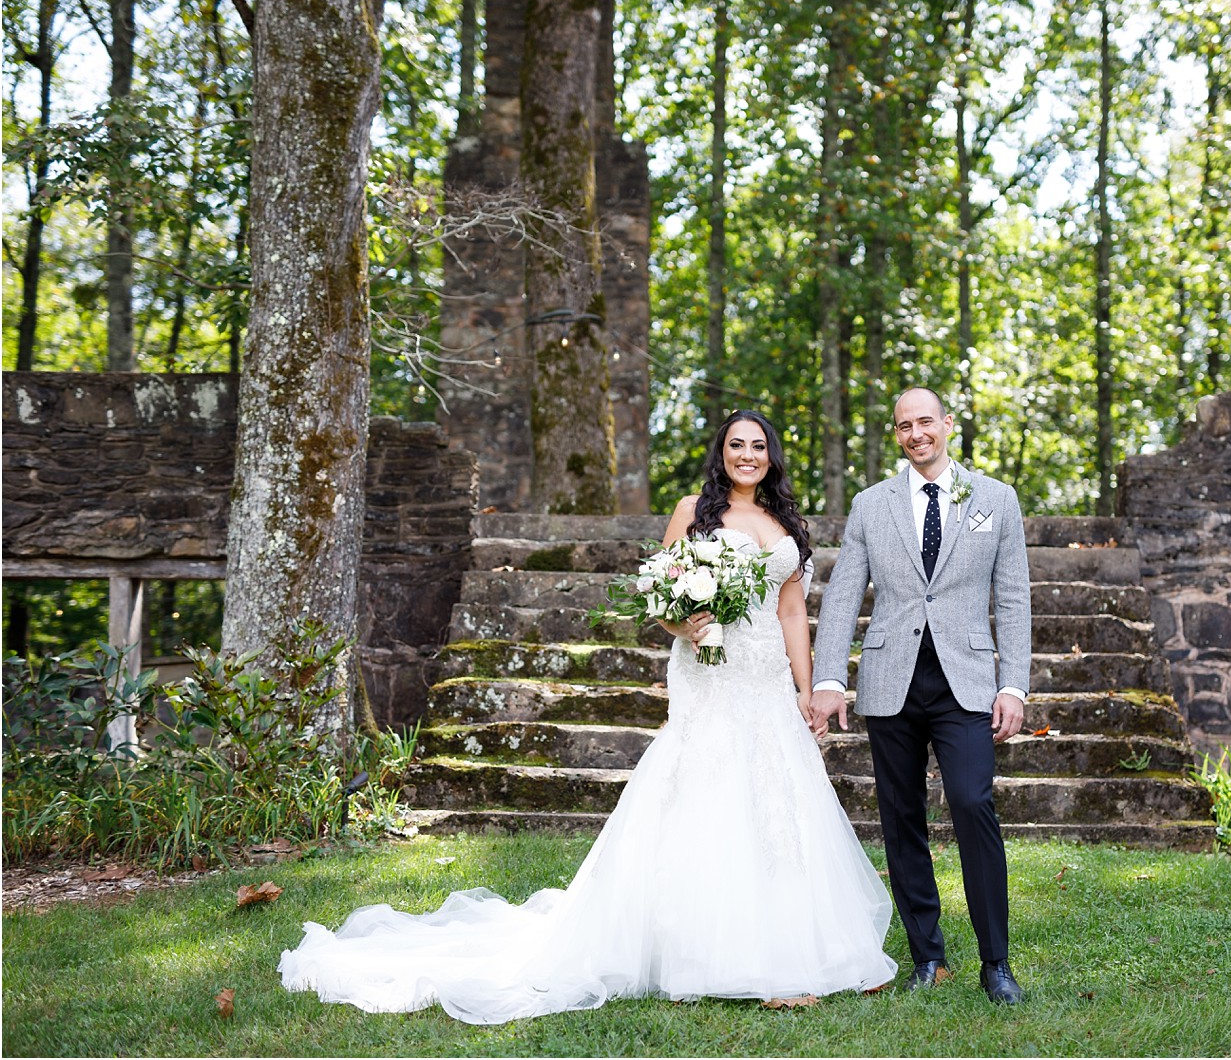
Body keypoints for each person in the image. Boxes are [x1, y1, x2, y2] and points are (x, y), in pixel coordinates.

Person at [279, 410, 897, 1024]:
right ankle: (693, 958)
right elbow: (663, 600)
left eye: (758, 446)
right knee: (707, 798)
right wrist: (685, 625)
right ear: (721, 452)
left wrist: (807, 686)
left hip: (763, 680)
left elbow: (791, 612)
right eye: (737, 445)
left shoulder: (786, 521)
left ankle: (784, 950)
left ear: (772, 455)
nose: (747, 455)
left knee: (774, 804)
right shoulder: (693, 512)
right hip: (709, 676)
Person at [809, 387, 1031, 1005]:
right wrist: (829, 679)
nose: (915, 434)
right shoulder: (870, 505)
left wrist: (1013, 683)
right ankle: (927, 955)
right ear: (898, 435)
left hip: (965, 680)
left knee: (971, 801)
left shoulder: (996, 499)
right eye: (904, 426)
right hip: (890, 680)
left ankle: (996, 963)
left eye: (925, 422)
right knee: (900, 817)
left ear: (948, 425)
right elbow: (845, 595)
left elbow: (1013, 597)